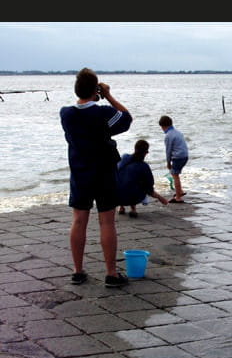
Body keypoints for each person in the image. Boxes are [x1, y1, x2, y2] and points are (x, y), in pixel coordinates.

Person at [60, 67, 132, 287]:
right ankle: (111, 273)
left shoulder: (66, 114)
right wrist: (108, 95)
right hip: (104, 172)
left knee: (79, 220)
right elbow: (126, 118)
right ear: (95, 90)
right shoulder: (102, 113)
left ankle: (78, 271)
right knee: (107, 221)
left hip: (80, 172)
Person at [117, 139, 169, 217]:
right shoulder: (143, 166)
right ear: (145, 153)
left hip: (115, 197)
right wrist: (160, 198)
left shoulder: (124, 157)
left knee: (124, 179)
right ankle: (133, 209)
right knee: (136, 184)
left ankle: (121, 207)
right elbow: (149, 188)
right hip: (133, 197)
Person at [158, 115, 188, 203]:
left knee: (175, 175)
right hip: (185, 155)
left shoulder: (168, 135)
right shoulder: (177, 132)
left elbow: (168, 151)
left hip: (178, 157)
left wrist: (168, 162)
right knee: (176, 174)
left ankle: (178, 197)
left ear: (163, 126)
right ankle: (180, 191)